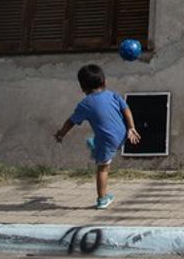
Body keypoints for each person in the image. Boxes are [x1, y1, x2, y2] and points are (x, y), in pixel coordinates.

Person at [54, 64, 141, 209]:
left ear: (82, 88)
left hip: (107, 140)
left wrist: (61, 133)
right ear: (104, 82)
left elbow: (71, 122)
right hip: (123, 134)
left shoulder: (85, 104)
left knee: (102, 168)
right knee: (98, 142)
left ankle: (102, 199)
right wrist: (131, 127)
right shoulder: (114, 95)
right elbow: (126, 110)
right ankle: (95, 145)